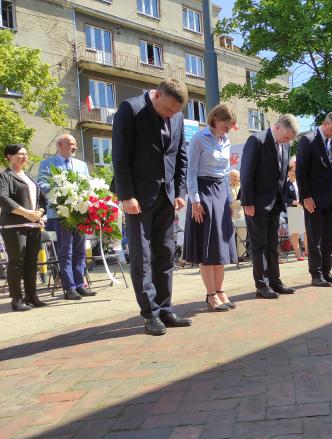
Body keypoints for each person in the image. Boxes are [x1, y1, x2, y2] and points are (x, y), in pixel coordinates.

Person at [112, 78, 191, 335]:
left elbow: (180, 155)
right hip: (138, 198)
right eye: (168, 110)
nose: (171, 116)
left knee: (166, 253)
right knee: (142, 257)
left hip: (167, 197)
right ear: (156, 95)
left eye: (175, 112)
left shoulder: (176, 117)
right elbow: (120, 155)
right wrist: (127, 195)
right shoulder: (131, 109)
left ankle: (165, 308)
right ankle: (149, 313)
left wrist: (180, 191)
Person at [184, 104, 238, 309]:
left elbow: (226, 172)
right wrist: (195, 200)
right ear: (215, 119)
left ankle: (221, 290)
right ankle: (211, 294)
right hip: (203, 192)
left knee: (221, 246)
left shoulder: (226, 141)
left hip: (221, 193)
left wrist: (229, 200)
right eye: (226, 125)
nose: (227, 129)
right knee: (208, 246)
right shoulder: (199, 138)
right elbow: (191, 171)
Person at [241, 114, 299, 298]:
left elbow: (281, 175)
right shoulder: (256, 140)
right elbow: (246, 173)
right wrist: (248, 202)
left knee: (273, 244)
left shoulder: (286, 145)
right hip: (256, 204)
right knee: (259, 245)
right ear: (278, 127)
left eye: (291, 139)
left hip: (275, 203)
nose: (288, 141)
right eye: (287, 136)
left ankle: (275, 281)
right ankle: (261, 284)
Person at [38, 134, 96, 300]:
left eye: (75, 144)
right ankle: (69, 287)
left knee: (80, 251)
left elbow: (87, 185)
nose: (74, 147)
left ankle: (79, 284)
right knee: (66, 251)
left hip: (79, 213)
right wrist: (63, 189)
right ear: (60, 145)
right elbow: (42, 185)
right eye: (71, 144)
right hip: (59, 213)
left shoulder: (81, 164)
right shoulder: (47, 164)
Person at [296, 111, 332, 287]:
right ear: (325, 124)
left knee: (330, 238)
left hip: (331, 199)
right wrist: (306, 197)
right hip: (314, 200)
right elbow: (301, 172)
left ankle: (327, 271)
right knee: (315, 238)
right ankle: (316, 275)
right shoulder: (307, 140)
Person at [0, 144, 47, 311]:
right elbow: (3, 199)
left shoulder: (29, 177)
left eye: (26, 154)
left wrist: (39, 212)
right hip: (14, 226)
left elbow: (42, 200)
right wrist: (27, 213)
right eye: (20, 154)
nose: (25, 157)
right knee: (16, 262)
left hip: (33, 225)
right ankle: (17, 299)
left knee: (31, 262)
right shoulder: (5, 176)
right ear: (9, 156)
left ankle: (32, 296)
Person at [284, 163, 307, 261]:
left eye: (295, 171)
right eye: (291, 171)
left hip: (303, 209)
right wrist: (296, 202)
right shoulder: (286, 184)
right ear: (288, 172)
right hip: (293, 209)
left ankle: (308, 251)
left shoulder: (300, 182)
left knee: (307, 231)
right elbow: (285, 198)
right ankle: (297, 253)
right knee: (295, 233)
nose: (293, 173)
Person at [229, 169, 247, 261]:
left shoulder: (242, 187)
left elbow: (244, 200)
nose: (233, 177)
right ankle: (231, 256)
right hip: (230, 214)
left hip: (241, 213)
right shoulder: (227, 187)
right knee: (230, 235)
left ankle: (241, 255)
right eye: (231, 175)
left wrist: (237, 202)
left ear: (239, 177)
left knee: (242, 234)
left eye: (235, 176)